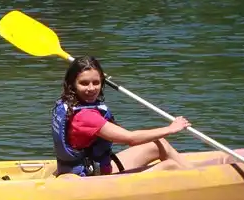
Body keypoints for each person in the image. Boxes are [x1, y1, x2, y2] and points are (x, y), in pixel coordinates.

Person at [52, 56, 193, 177]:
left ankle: (196, 174)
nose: (91, 88)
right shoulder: (85, 117)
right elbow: (131, 139)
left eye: (96, 82)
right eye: (84, 83)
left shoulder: (68, 104)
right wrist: (171, 128)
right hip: (90, 177)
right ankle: (198, 180)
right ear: (72, 85)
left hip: (84, 167)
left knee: (158, 143)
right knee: (170, 167)